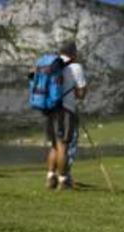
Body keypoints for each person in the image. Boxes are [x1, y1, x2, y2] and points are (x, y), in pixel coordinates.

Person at [45, 41, 87, 190]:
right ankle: (63, 180)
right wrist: (75, 91)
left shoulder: (50, 65)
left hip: (50, 110)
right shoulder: (76, 67)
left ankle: (50, 177)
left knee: (54, 146)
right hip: (66, 110)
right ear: (73, 53)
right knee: (64, 145)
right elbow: (81, 93)